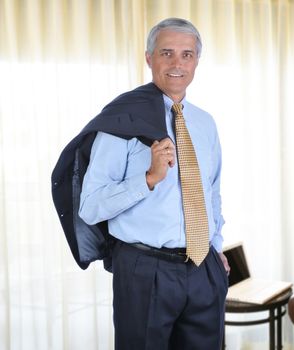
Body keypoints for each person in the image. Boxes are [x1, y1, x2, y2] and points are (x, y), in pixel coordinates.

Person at [52, 18, 228, 350]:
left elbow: (212, 192)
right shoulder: (122, 122)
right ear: (149, 58)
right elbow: (90, 207)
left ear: (197, 61)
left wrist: (216, 246)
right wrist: (147, 179)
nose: (177, 64)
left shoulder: (205, 123)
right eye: (167, 53)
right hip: (145, 271)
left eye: (187, 54)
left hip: (203, 269)